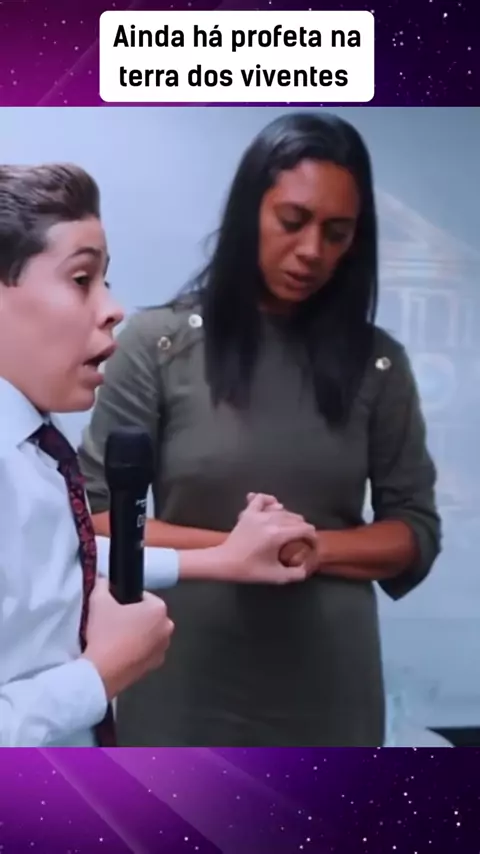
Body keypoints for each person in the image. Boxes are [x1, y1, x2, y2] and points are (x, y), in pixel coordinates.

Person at [78, 112, 442, 748]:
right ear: (250, 212)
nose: (312, 251)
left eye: (337, 233)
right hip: (182, 677)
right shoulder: (157, 345)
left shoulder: (378, 364)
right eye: (293, 221)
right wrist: (235, 552)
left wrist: (313, 549)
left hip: (329, 688)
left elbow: (414, 531)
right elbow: (98, 516)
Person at [0, 162, 317, 748]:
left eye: (105, 279)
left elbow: (62, 556)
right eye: (81, 278)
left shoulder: (33, 449)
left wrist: (222, 558)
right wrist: (98, 676)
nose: (113, 308)